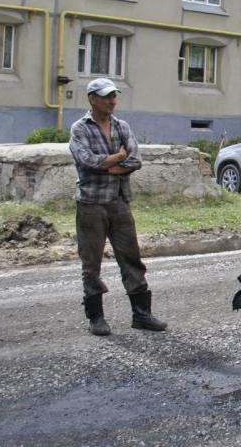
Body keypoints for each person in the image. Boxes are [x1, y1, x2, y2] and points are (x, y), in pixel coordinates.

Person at [68, 77, 168, 336]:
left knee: (131, 259)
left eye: (114, 96)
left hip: (120, 203)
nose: (112, 101)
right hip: (91, 204)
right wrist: (119, 158)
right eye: (106, 96)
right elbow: (87, 160)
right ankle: (96, 318)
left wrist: (111, 165)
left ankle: (142, 315)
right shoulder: (80, 129)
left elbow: (135, 160)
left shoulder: (122, 126)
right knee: (91, 264)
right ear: (92, 99)